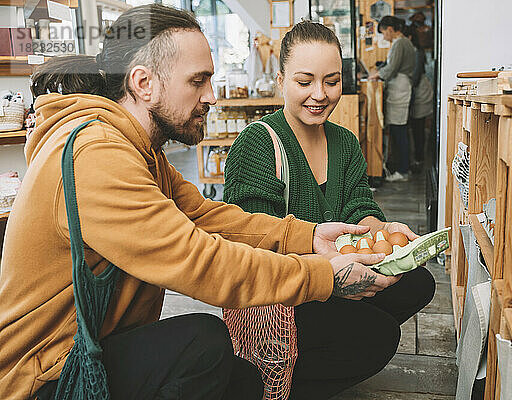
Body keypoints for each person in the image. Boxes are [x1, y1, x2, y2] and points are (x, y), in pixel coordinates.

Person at [0, 5, 400, 400]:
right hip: (44, 376)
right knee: (204, 344)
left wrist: (308, 236)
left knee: (241, 380)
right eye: (198, 80)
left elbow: (206, 216)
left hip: (91, 349)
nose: (211, 95)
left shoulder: (138, 150)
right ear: (143, 83)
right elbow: (199, 261)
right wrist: (323, 275)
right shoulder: (97, 156)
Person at [224, 21, 435, 399]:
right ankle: (280, 378)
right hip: (284, 294)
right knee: (380, 337)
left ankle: (329, 353)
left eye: (332, 81)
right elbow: (252, 244)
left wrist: (387, 236)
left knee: (417, 281)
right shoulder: (257, 144)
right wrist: (326, 271)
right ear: (280, 80)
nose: (319, 94)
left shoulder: (344, 141)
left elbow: (359, 206)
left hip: (335, 274)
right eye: (304, 82)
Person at [368, 16, 416, 182]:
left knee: (398, 129)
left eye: (383, 33)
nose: (384, 37)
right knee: (398, 129)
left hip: (400, 88)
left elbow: (392, 67)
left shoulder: (400, 43)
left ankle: (403, 170)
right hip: (401, 87)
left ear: (389, 29)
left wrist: (376, 75)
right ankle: (402, 168)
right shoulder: (403, 43)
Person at [406, 23, 434, 173]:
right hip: (418, 90)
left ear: (409, 37)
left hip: (420, 92)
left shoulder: (416, 51)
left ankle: (419, 159)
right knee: (417, 126)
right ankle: (418, 158)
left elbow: (415, 77)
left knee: (418, 126)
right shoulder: (415, 50)